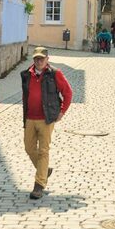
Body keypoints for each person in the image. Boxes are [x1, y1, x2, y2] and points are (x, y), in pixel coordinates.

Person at [21, 48, 73, 200]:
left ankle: (39, 185)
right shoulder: (26, 74)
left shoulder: (55, 74)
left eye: (42, 58)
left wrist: (62, 112)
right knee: (29, 148)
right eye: (36, 58)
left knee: (43, 150)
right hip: (30, 117)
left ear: (47, 59)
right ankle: (44, 170)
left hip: (47, 118)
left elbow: (68, 92)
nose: (39, 61)